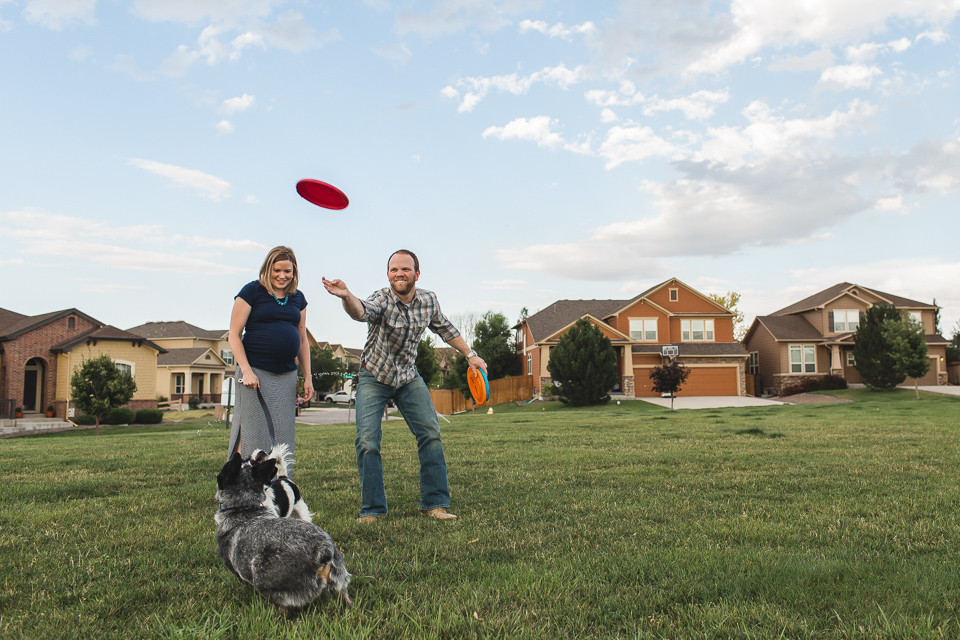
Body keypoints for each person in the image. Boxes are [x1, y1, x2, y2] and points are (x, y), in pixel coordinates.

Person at [322, 249, 486, 523]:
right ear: (388, 274)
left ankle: (434, 504)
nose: (399, 273)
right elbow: (361, 311)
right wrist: (347, 296)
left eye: (405, 269)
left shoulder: (428, 300)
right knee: (367, 441)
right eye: (394, 269)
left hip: (408, 377)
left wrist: (470, 355)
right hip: (374, 375)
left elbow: (445, 328)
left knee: (431, 433)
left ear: (416, 274)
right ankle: (372, 509)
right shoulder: (381, 299)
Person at [226, 246, 313, 478]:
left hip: (285, 375)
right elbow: (234, 335)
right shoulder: (252, 291)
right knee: (252, 431)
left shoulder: (298, 298)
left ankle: (278, 485)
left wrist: (308, 377)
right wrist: (246, 371)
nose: (282, 276)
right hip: (254, 372)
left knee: (282, 434)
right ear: (268, 268)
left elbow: (303, 340)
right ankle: (237, 483)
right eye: (277, 270)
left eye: (288, 271)